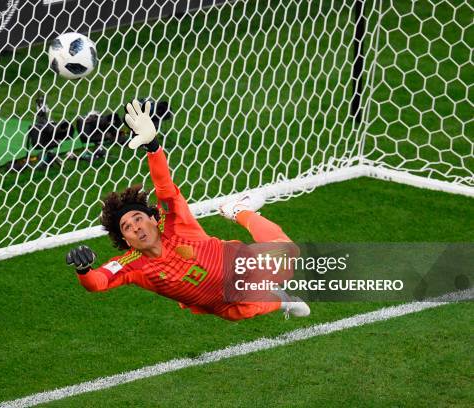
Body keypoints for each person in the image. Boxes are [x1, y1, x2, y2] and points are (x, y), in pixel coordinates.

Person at [66, 100, 310, 321]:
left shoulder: (174, 224)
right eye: (126, 228)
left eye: (137, 218)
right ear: (125, 240)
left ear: (153, 218)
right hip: (220, 303)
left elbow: (164, 187)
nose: (135, 227)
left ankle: (239, 210)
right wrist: (83, 269)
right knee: (242, 311)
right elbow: (96, 282)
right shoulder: (132, 265)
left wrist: (153, 147)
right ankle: (282, 300)